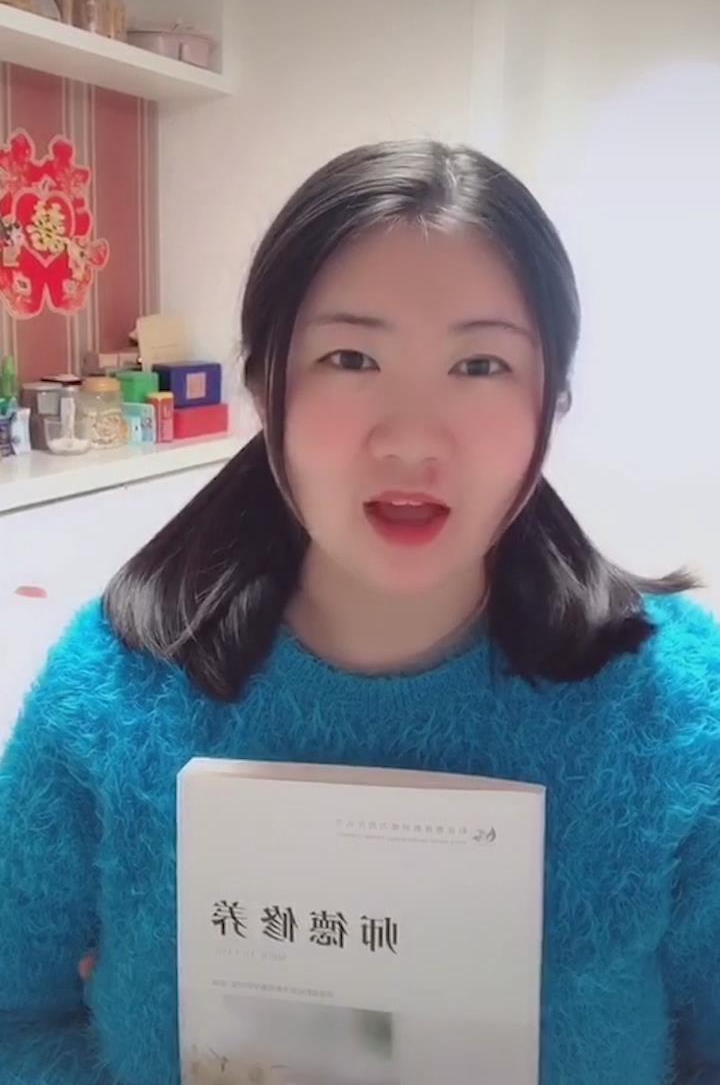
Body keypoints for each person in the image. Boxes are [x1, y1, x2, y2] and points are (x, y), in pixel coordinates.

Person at [0, 138, 718, 1085]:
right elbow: (15, 1018)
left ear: (554, 400)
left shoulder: (675, 713)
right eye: (351, 357)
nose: (412, 439)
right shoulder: (111, 696)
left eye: (481, 365)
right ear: (267, 387)